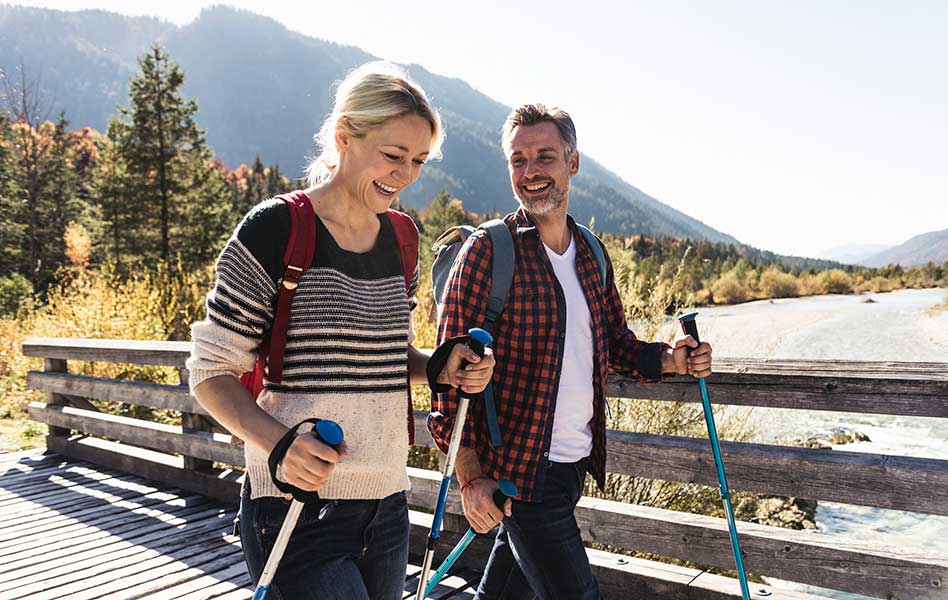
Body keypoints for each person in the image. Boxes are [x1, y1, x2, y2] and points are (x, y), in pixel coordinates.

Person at [187, 62, 495, 600]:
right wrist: (280, 445)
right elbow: (210, 372)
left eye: (419, 161)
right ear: (344, 136)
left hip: (388, 506)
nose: (405, 174)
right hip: (295, 506)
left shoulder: (401, 239)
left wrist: (440, 367)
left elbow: (388, 358)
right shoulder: (276, 227)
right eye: (393, 155)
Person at [428, 104, 713, 600]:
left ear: (572, 163)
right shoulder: (488, 251)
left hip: (572, 465)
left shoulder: (592, 254)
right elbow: (449, 378)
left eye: (545, 157)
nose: (531, 171)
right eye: (518, 160)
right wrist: (469, 476)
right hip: (518, 473)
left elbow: (615, 345)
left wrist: (672, 358)